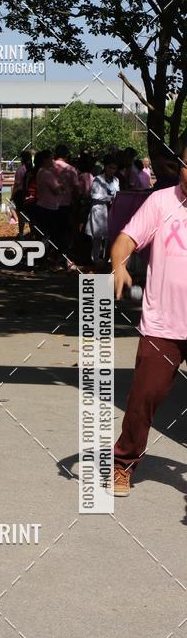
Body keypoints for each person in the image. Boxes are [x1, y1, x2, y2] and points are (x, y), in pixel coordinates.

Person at [112, 136, 187, 497]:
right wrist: (118, 265)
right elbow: (127, 238)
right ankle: (123, 464)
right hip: (163, 325)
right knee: (145, 398)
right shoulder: (161, 201)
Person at [85, 155, 119, 263]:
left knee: (110, 236)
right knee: (98, 237)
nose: (112, 170)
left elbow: (118, 193)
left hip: (111, 210)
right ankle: (95, 259)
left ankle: (107, 259)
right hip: (99, 209)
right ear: (105, 167)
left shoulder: (116, 180)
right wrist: (109, 198)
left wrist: (114, 198)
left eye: (114, 168)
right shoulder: (98, 179)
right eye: (110, 168)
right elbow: (94, 195)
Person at [53, 144, 80, 265]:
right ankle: (64, 256)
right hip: (66, 204)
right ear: (66, 155)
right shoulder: (71, 169)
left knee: (54, 231)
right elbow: (76, 188)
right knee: (66, 232)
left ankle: (53, 255)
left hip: (50, 204)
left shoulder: (48, 168)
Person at [34, 150, 61, 261]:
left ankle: (41, 257)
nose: (53, 161)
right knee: (49, 235)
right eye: (51, 158)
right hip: (49, 207)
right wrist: (62, 186)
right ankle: (45, 258)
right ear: (45, 160)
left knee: (43, 234)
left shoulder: (40, 172)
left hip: (41, 205)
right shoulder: (48, 174)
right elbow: (57, 190)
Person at [11, 151, 33, 237]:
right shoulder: (32, 169)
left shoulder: (20, 169)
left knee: (21, 215)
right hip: (31, 193)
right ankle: (32, 233)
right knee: (31, 215)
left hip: (20, 194)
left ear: (22, 159)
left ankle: (21, 233)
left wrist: (12, 196)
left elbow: (16, 184)